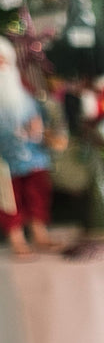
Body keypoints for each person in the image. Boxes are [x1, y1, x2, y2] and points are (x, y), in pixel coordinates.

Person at [0, 36, 54, 256]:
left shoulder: (24, 91)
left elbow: (40, 115)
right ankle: (16, 237)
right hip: (4, 158)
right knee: (8, 198)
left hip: (33, 154)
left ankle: (39, 231)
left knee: (37, 190)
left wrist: (38, 125)